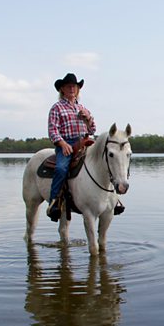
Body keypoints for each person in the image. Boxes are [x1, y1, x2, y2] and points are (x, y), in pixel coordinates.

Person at [46, 73, 96, 221]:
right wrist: (62, 143)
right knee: (61, 168)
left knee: (103, 160)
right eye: (68, 86)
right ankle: (54, 201)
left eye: (74, 86)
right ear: (62, 89)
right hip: (66, 143)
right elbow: (52, 130)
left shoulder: (82, 108)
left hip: (84, 141)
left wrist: (88, 119)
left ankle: (111, 199)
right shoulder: (57, 108)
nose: (72, 88)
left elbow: (92, 130)